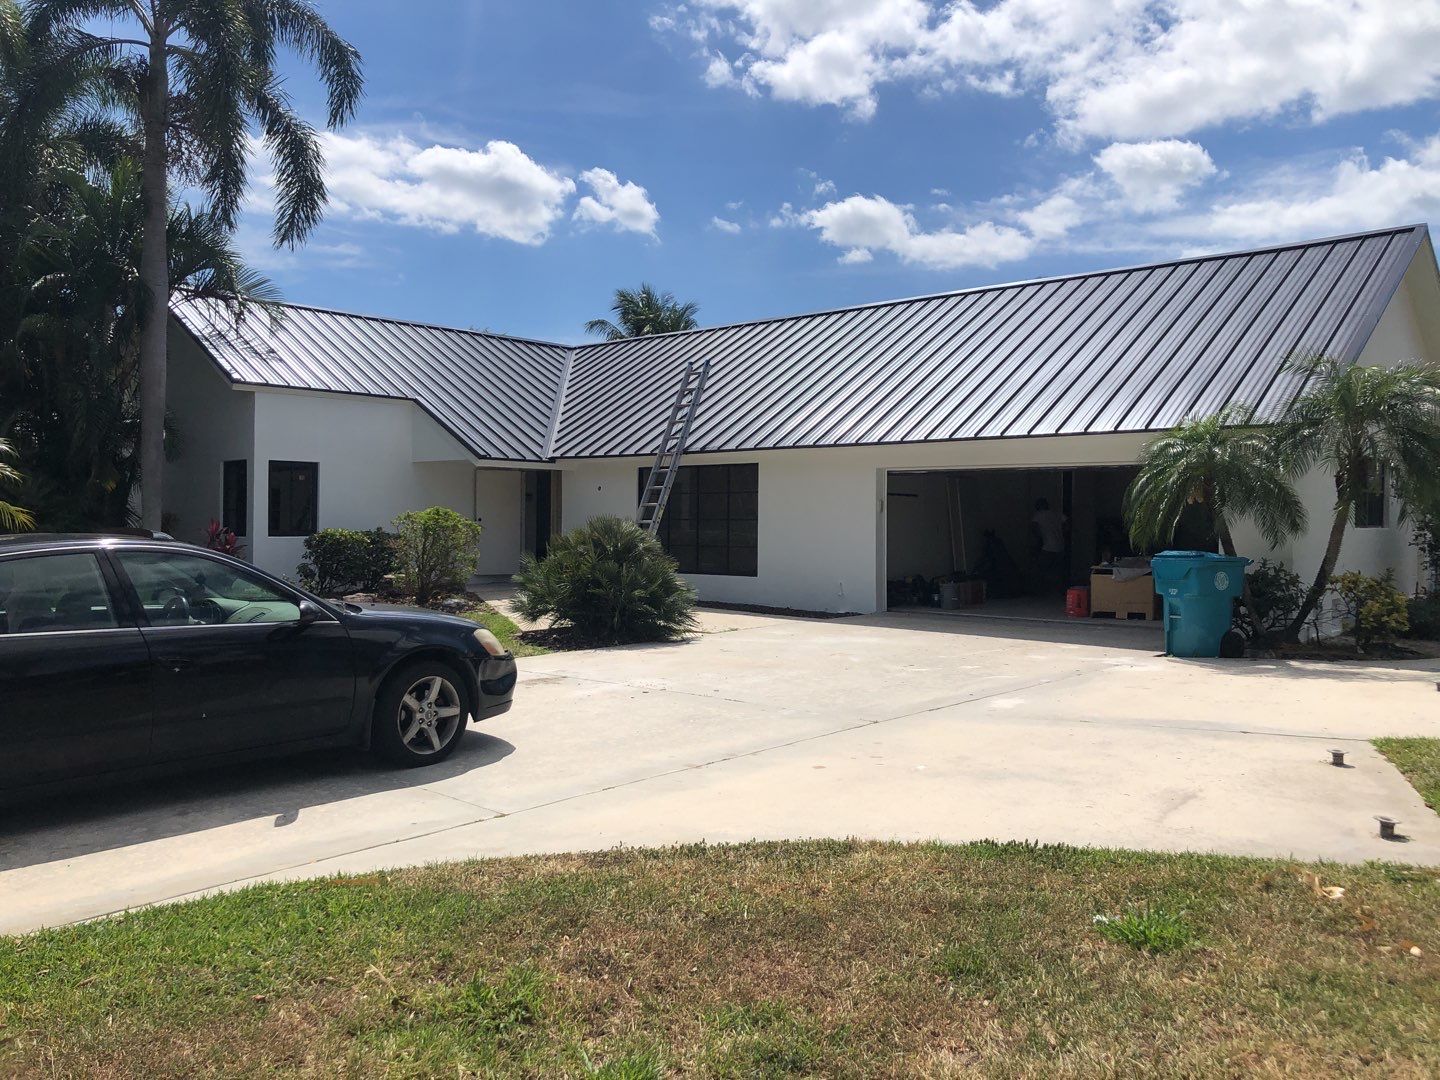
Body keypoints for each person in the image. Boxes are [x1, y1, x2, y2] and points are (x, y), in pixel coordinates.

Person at [1030, 497, 1068, 593]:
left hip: (1047, 547)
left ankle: (1042, 590)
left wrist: (1039, 540)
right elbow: (1066, 524)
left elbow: (1035, 530)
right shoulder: (1057, 514)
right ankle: (1057, 590)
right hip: (1060, 546)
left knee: (1041, 569)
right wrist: (1061, 532)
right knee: (1058, 570)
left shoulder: (1038, 516)